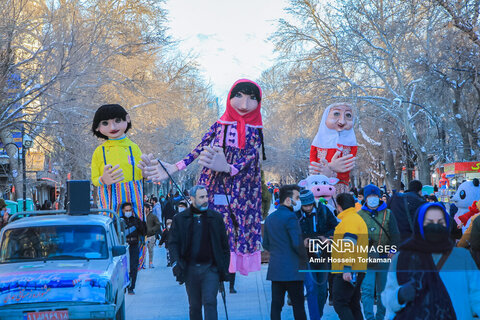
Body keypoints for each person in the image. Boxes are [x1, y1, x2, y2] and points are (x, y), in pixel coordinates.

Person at [140, 79, 266, 276]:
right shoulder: (219, 125)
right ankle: (207, 259)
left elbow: (250, 157)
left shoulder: (256, 131)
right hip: (214, 180)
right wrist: (176, 167)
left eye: (251, 98)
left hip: (243, 184)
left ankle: (232, 261)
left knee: (239, 221)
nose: (244, 104)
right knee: (210, 219)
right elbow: (200, 147)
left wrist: (229, 167)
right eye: (239, 96)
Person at [382, 202, 480, 320]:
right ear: (419, 225)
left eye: (440, 222)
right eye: (429, 223)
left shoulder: (462, 257)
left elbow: (477, 296)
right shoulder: (402, 258)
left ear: (447, 225)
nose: (435, 226)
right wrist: (400, 295)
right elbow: (388, 302)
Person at [168, 185, 230, 320]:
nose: (205, 199)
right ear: (192, 199)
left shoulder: (215, 218)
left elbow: (225, 246)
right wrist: (175, 263)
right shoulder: (180, 219)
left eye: (207, 196)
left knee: (210, 302)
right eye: (201, 197)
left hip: (210, 269)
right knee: (195, 306)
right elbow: (173, 243)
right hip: (190, 269)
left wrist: (223, 268)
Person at [263, 184, 307, 320]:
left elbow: (266, 244)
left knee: (276, 305)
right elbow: (296, 243)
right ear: (288, 200)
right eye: (297, 198)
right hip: (293, 270)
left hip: (276, 268)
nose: (299, 201)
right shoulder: (291, 217)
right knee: (298, 305)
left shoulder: (270, 218)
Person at [357, 184, 399, 320]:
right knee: (367, 290)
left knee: (382, 290)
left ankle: (380, 316)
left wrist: (393, 249)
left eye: (375, 196)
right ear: (365, 198)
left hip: (383, 257)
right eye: (370, 196)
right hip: (366, 258)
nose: (373, 199)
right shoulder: (360, 214)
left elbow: (395, 235)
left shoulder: (388, 214)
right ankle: (369, 317)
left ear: (379, 197)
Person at [298, 189, 338, 320]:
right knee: (311, 288)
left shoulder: (324, 210)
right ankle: (314, 317)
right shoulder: (296, 214)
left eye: (310, 204)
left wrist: (326, 237)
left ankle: (318, 314)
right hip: (305, 257)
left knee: (322, 290)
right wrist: (302, 241)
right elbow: (291, 234)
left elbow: (335, 227)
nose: (308, 208)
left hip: (323, 255)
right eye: (305, 206)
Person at [331, 193, 368, 320]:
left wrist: (347, 268)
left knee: (340, 303)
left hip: (347, 269)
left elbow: (349, 244)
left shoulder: (348, 221)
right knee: (353, 304)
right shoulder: (356, 219)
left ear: (339, 206)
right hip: (358, 267)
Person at [309, 103, 357, 194]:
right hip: (321, 185)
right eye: (336, 114)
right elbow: (313, 162)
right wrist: (329, 168)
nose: (342, 121)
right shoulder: (319, 140)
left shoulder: (351, 143)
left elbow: (348, 166)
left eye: (348, 115)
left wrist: (338, 171)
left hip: (341, 186)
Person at [122, 202, 146, 295]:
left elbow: (143, 232)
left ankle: (131, 287)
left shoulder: (136, 220)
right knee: (123, 268)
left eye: (130, 210)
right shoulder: (119, 221)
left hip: (134, 246)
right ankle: (124, 285)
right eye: (126, 210)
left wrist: (142, 224)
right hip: (123, 246)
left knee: (133, 267)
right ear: (123, 211)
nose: (128, 212)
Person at [145, 202, 160, 268]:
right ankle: (143, 264)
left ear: (148, 208)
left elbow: (158, 224)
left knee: (151, 250)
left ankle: (150, 263)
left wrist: (152, 230)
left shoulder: (153, 216)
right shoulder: (141, 216)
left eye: (145, 208)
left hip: (151, 236)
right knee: (143, 251)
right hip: (143, 236)